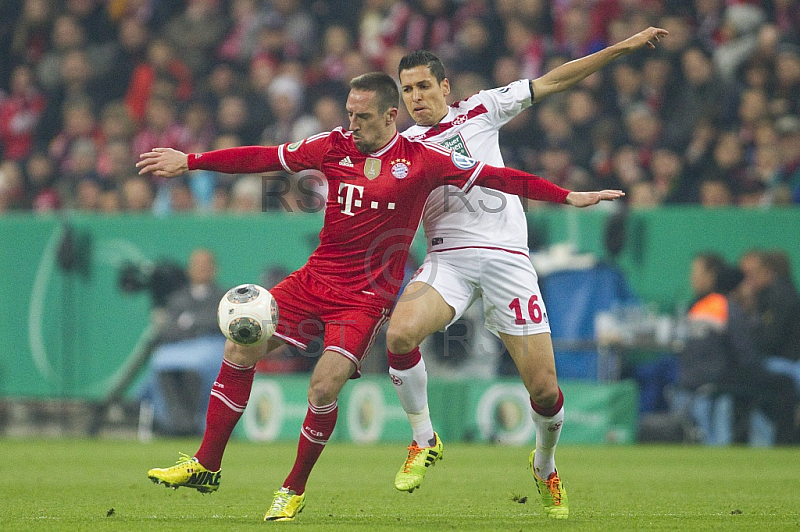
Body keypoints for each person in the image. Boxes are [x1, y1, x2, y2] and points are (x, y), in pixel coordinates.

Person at [136, 72, 624, 522]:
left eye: (362, 115)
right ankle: (206, 464)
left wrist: (567, 196)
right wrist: (192, 162)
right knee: (240, 343)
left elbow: (502, 178)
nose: (352, 123)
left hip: (364, 298)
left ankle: (293, 488)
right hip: (313, 280)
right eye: (349, 112)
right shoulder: (332, 146)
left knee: (323, 387)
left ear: (391, 115)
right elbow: (267, 156)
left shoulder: (423, 161)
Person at [384, 27, 668, 519]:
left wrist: (621, 48)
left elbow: (556, 81)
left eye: (424, 87)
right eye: (407, 90)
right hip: (448, 258)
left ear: (445, 87)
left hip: (507, 259)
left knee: (543, 390)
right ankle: (424, 438)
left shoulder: (482, 108)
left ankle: (544, 464)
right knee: (400, 334)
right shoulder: (401, 147)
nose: (416, 98)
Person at [145, 248, 227, 437]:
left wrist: (190, 322)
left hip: (211, 349)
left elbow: (220, 322)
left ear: (215, 269)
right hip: (178, 350)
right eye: (197, 265)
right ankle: (177, 420)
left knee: (196, 365)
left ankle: (196, 420)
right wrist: (195, 325)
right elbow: (168, 329)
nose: (201, 270)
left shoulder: (224, 297)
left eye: (206, 265)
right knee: (162, 363)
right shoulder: (177, 299)